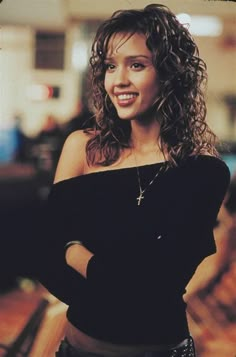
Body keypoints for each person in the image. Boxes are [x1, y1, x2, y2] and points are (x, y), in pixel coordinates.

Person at [31, 4, 230, 357]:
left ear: (170, 74)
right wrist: (114, 279)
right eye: (110, 66)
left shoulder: (204, 172)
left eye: (136, 65)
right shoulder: (82, 148)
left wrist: (72, 250)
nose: (118, 80)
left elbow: (156, 284)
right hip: (75, 349)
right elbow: (44, 255)